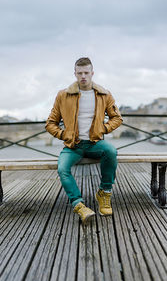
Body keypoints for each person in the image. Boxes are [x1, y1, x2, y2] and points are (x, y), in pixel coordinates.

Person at [45, 57, 123, 224]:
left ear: (92, 73)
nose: (83, 76)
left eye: (86, 73)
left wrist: (104, 128)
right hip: (73, 145)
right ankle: (79, 204)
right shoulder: (63, 95)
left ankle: (104, 192)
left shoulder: (104, 94)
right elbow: (50, 123)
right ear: (75, 74)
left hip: (95, 143)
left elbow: (117, 118)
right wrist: (63, 135)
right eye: (79, 73)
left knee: (111, 151)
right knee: (62, 168)